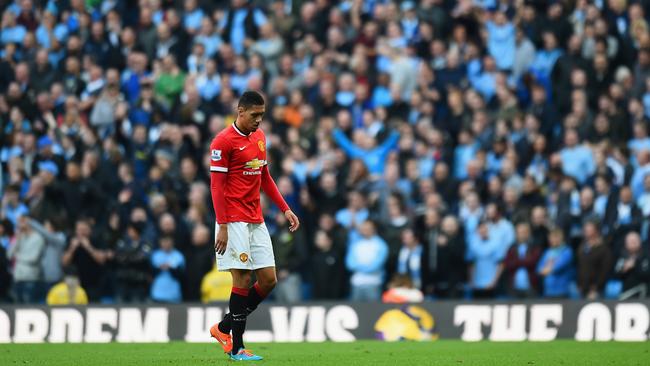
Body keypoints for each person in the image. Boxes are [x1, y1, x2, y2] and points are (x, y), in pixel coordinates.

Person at [208, 91, 300, 361]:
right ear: (240, 111)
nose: (259, 120)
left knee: (269, 280)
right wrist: (222, 225)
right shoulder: (223, 141)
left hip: (255, 217)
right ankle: (237, 347)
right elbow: (216, 186)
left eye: (262, 115)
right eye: (254, 115)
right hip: (233, 218)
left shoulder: (260, 138)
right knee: (243, 278)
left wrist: (285, 208)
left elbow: (265, 177)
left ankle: (223, 328)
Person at [8, 216, 45, 303]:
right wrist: (17, 239)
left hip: (30, 278)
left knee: (28, 307)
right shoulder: (20, 237)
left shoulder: (38, 238)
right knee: (16, 306)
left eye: (23, 221)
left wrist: (18, 256)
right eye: (20, 222)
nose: (20, 224)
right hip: (17, 277)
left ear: (30, 222)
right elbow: (9, 255)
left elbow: (33, 259)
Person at [537, 228, 575, 298]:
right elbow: (539, 269)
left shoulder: (566, 251)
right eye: (551, 237)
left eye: (555, 237)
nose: (553, 240)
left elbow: (557, 267)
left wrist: (548, 268)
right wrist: (548, 269)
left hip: (562, 291)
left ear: (561, 238)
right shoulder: (547, 252)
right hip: (547, 291)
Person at [614, 232, 650, 299]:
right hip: (627, 292)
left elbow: (647, 275)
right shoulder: (622, 257)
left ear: (640, 241)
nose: (633, 243)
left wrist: (635, 266)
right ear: (626, 243)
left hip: (644, 292)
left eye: (635, 240)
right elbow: (616, 274)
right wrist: (624, 269)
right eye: (630, 241)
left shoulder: (646, 255)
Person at [150, 236, 185, 303]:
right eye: (163, 241)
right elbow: (151, 273)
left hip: (173, 294)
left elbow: (181, 275)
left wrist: (170, 268)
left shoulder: (178, 256)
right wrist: (160, 268)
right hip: (157, 293)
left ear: (172, 242)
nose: (166, 244)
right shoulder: (155, 255)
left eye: (167, 241)